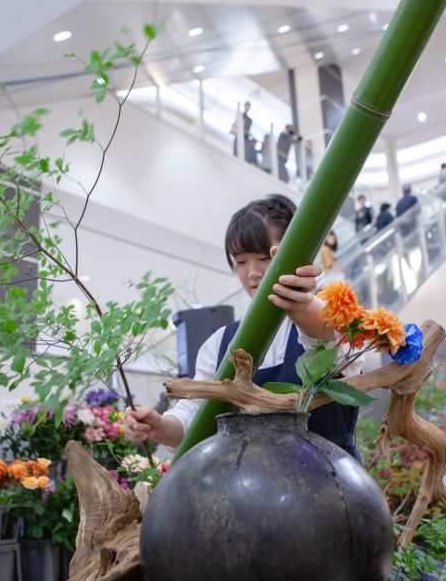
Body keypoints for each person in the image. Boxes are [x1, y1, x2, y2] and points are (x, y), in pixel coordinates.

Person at [124, 194, 362, 457]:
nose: (252, 273)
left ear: (298, 252)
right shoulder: (220, 343)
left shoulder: (333, 318)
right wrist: (159, 426)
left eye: (264, 258)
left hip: (333, 486)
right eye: (240, 261)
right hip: (251, 493)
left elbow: (332, 340)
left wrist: (304, 308)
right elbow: (194, 413)